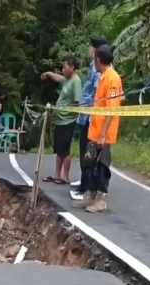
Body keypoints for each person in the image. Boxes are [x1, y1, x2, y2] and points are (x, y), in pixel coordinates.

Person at [73, 44, 123, 213]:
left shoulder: (113, 79)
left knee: (102, 167)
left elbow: (112, 109)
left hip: (104, 134)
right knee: (88, 163)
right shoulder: (102, 76)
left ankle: (101, 199)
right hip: (95, 131)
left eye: (95, 59)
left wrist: (103, 134)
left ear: (99, 60)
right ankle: (91, 194)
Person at [71, 37, 109, 202]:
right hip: (87, 116)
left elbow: (97, 94)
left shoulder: (97, 69)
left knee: (87, 154)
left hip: (90, 117)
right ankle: (86, 183)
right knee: (88, 155)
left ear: (94, 50)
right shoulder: (96, 67)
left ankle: (85, 188)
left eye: (90, 47)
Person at [41, 56, 82, 184]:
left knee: (65, 149)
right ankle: (56, 175)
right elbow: (58, 78)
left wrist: (68, 112)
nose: (63, 69)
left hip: (67, 121)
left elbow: (78, 103)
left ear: (72, 68)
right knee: (59, 149)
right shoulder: (67, 80)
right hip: (60, 120)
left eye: (65, 67)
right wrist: (48, 74)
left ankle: (65, 176)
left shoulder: (76, 82)